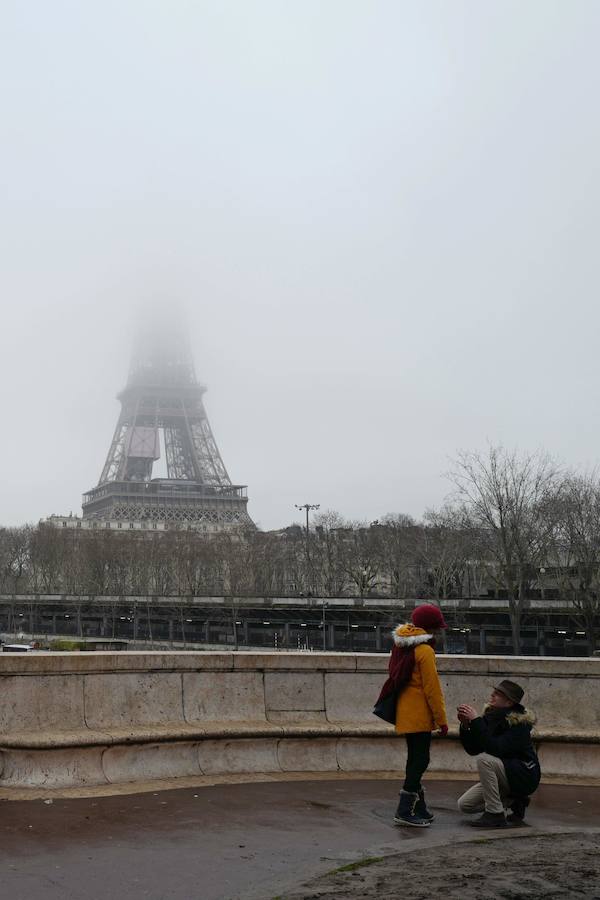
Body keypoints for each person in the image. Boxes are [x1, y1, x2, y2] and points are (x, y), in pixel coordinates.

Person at [382, 603, 449, 828]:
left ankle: (418, 807)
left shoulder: (401, 645)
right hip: (419, 714)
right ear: (432, 627)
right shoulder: (425, 651)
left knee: (415, 759)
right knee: (420, 761)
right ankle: (404, 810)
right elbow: (432, 689)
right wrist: (442, 720)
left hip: (404, 711)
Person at [456, 679, 541, 828]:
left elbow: (495, 748)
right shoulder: (492, 716)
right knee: (465, 805)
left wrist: (476, 721)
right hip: (504, 773)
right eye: (494, 692)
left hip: (524, 774)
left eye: (498, 694)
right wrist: (466, 725)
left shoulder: (519, 724)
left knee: (484, 760)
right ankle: (514, 801)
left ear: (509, 702)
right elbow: (473, 749)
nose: (492, 695)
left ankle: (495, 814)